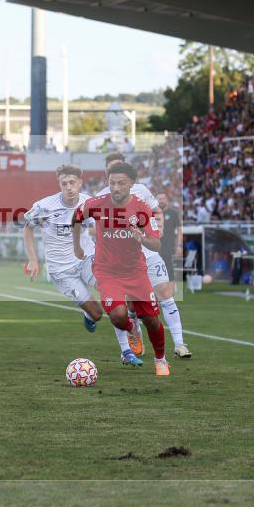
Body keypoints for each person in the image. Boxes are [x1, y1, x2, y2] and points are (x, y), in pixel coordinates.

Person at [24, 165, 144, 365]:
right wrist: (33, 259)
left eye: (72, 182)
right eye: (64, 183)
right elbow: (27, 228)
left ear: (80, 182)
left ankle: (126, 351)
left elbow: (102, 228)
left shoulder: (90, 203)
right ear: (59, 185)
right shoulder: (45, 206)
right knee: (96, 314)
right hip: (61, 271)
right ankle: (89, 314)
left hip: (87, 259)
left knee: (113, 300)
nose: (69, 187)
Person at [73, 161, 171, 377]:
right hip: (106, 271)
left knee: (152, 321)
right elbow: (77, 218)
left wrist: (142, 238)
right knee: (118, 316)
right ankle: (131, 328)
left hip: (135, 272)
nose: (115, 188)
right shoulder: (96, 203)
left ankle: (160, 359)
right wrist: (77, 246)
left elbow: (157, 244)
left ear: (131, 184)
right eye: (112, 183)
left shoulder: (142, 209)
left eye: (121, 183)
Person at [98, 153, 191, 359]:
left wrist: (158, 229)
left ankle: (180, 344)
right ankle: (129, 346)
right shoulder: (101, 198)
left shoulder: (141, 190)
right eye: (112, 170)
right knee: (126, 307)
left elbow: (157, 211)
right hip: (122, 262)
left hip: (148, 254)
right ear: (107, 173)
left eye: (120, 168)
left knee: (165, 294)